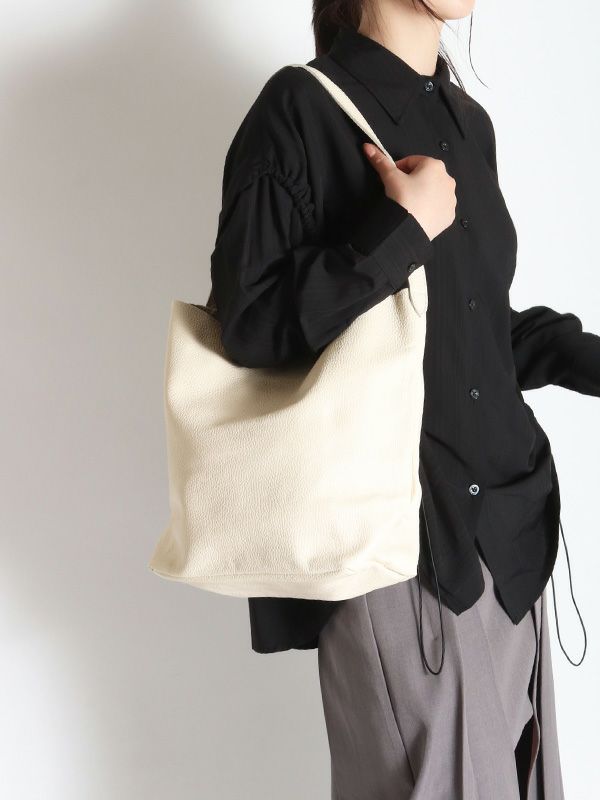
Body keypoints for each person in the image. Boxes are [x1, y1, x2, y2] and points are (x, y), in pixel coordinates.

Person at [209, 1, 598, 797]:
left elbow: (476, 332)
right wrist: (400, 228)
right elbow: (249, 329)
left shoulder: (467, 122)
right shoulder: (300, 110)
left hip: (511, 548)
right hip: (400, 556)